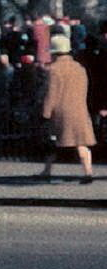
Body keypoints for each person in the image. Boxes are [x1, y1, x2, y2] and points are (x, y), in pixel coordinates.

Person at [41, 35, 96, 184]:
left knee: (53, 142)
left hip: (60, 112)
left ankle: (47, 171)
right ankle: (88, 172)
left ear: (54, 52)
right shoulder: (80, 68)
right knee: (81, 142)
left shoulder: (53, 70)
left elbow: (51, 94)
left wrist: (45, 113)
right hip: (79, 110)